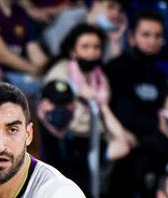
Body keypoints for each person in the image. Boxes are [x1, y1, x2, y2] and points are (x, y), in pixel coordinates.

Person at [42, 24, 134, 161]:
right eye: (85, 47)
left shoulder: (100, 76)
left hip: (94, 136)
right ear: (73, 51)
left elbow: (103, 112)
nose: (92, 52)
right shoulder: (60, 72)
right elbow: (51, 115)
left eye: (96, 47)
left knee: (125, 144)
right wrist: (77, 96)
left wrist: (101, 105)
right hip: (68, 136)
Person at [103, 9, 166, 140]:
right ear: (131, 38)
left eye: (157, 36)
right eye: (146, 35)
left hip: (154, 141)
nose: (152, 41)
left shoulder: (161, 75)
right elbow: (123, 115)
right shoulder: (115, 68)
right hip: (121, 139)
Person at [0, 0, 48, 99]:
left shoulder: (20, 12)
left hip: (16, 73)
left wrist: (50, 71)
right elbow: (2, 55)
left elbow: (35, 52)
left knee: (44, 85)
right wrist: (34, 70)